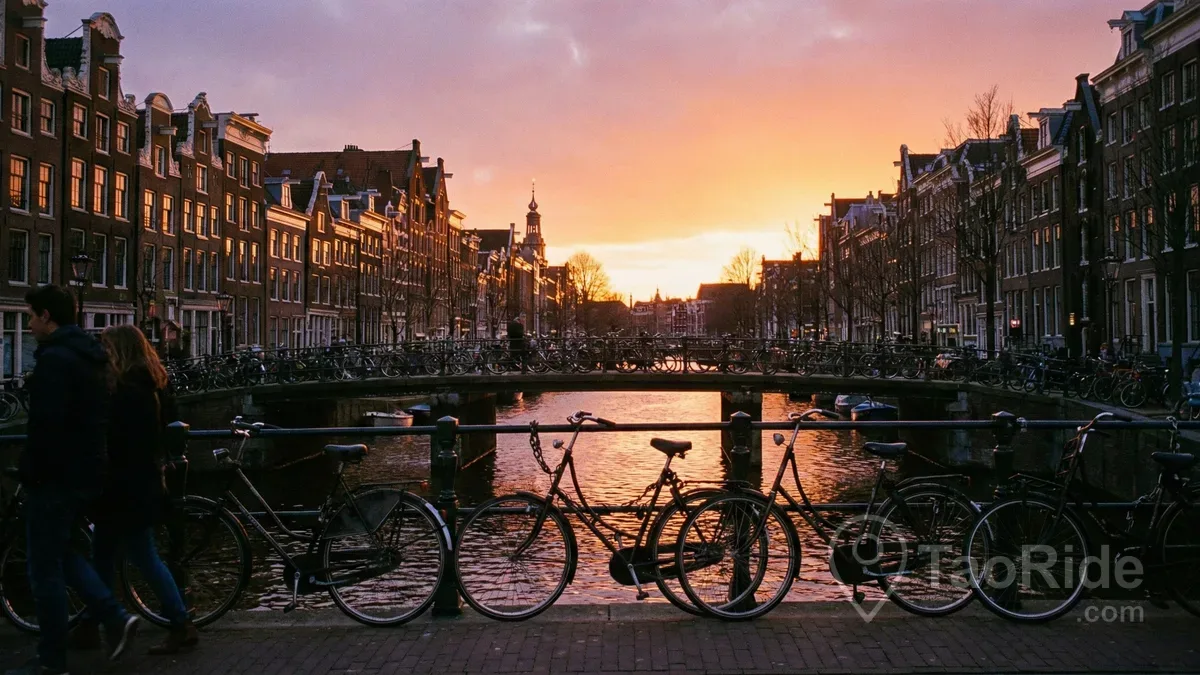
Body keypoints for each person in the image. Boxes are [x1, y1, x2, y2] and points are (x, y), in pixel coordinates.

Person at [9, 286, 139, 675]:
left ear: (47, 316)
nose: (29, 324)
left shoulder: (56, 361)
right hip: (86, 472)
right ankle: (113, 615)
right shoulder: (89, 357)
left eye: (31, 316)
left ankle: (52, 660)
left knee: (43, 568)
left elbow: (47, 425)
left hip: (56, 476)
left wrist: (31, 470)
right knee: (60, 551)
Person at [74, 325, 197, 655]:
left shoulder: (126, 391)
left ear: (119, 351)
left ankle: (180, 622)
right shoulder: (154, 383)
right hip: (141, 482)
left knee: (142, 556)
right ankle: (90, 622)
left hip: (122, 487)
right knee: (105, 553)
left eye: (107, 348)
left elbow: (116, 440)